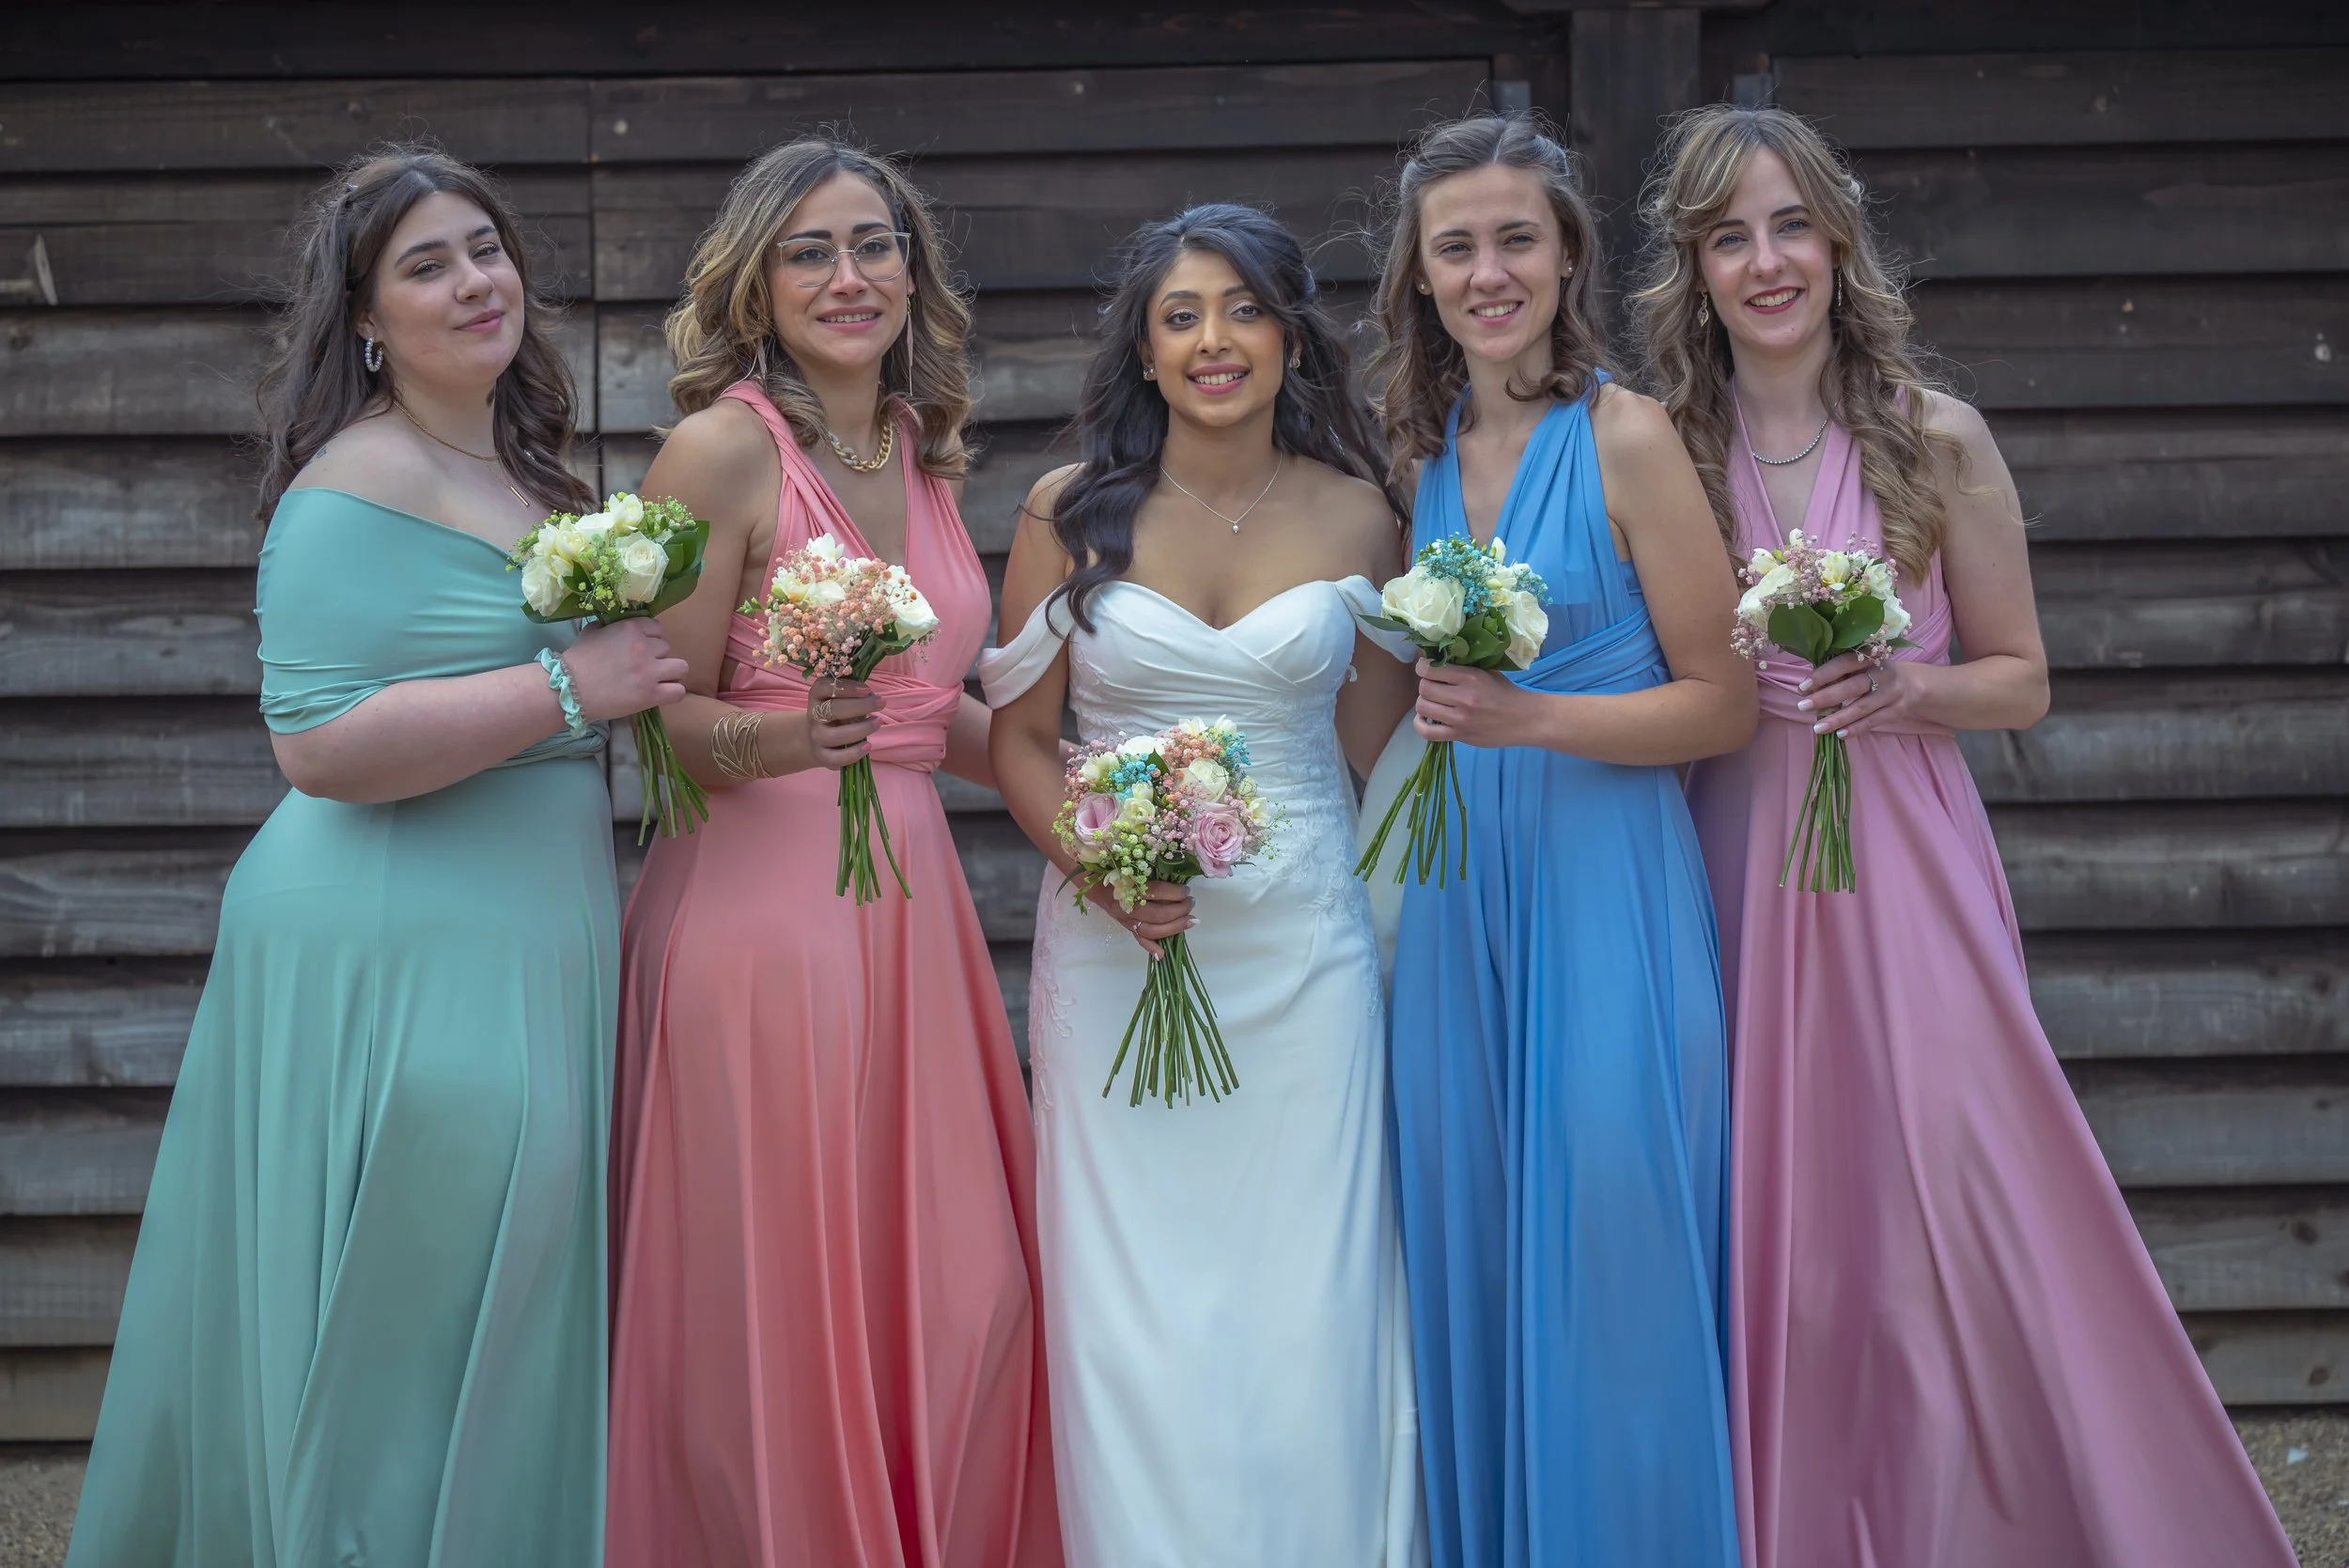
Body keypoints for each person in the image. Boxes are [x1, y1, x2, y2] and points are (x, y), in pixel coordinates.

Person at [1641, 103, 2300, 1568]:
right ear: (1692, 266)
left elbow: (2027, 677)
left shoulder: (1933, 439)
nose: (1766, 262)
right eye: (1730, 235)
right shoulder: (1661, 451)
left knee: (1943, 1188)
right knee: (1775, 1221)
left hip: (1904, 858)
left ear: (1838, 238)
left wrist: (1911, 682)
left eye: (1790, 225)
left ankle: (1988, 1517)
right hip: (1730, 858)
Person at [68, 147, 682, 1566]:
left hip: (526, 926)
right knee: (415, 1300)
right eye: (427, 264)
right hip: (399, 937)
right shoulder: (349, 484)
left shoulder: (521, 467)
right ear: (361, 318)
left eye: (485, 248)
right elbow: (318, 743)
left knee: (505, 1285)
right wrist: (573, 691)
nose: (474, 282)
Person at [602, 138, 1059, 1566]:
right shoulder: (722, 449)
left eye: (875, 246)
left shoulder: (915, 448)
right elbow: (661, 727)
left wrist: (1082, 801)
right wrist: (804, 740)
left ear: (913, 274)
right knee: (786, 1291)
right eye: (810, 250)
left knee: (962, 1287)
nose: (849, 277)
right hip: (759, 924)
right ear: (755, 282)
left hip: (908, 917)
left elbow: (939, 718)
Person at [983, 203, 1423, 1567]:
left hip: (1305, 964)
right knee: (1134, 1311)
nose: (1215, 341)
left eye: (1243, 310)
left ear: (1292, 338)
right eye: (1183, 315)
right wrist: (1098, 863)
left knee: (1314, 1300)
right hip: (1121, 957)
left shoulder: (1364, 516)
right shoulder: (1069, 514)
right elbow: (1017, 737)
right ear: (1147, 348)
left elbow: (1388, 755)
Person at [1364, 113, 1754, 1567]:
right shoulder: (1425, 458)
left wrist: (1528, 726)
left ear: (1569, 253)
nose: (1487, 271)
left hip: (1607, 898)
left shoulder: (1628, 435)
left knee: (1614, 1249)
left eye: (1515, 238)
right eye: (1454, 246)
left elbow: (1725, 705)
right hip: (1461, 906)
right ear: (1418, 275)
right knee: (1474, 1246)